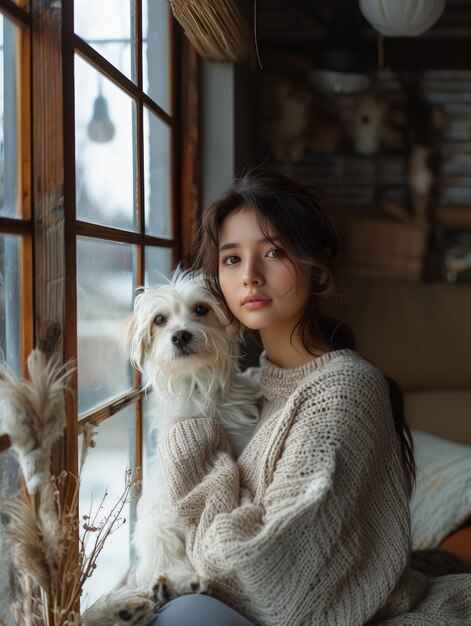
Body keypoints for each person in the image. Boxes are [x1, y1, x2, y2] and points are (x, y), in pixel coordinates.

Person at [145, 168, 471, 625]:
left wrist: (188, 427)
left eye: (274, 252)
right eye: (232, 259)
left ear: (317, 266)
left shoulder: (343, 391)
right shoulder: (255, 385)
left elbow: (263, 576)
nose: (251, 276)